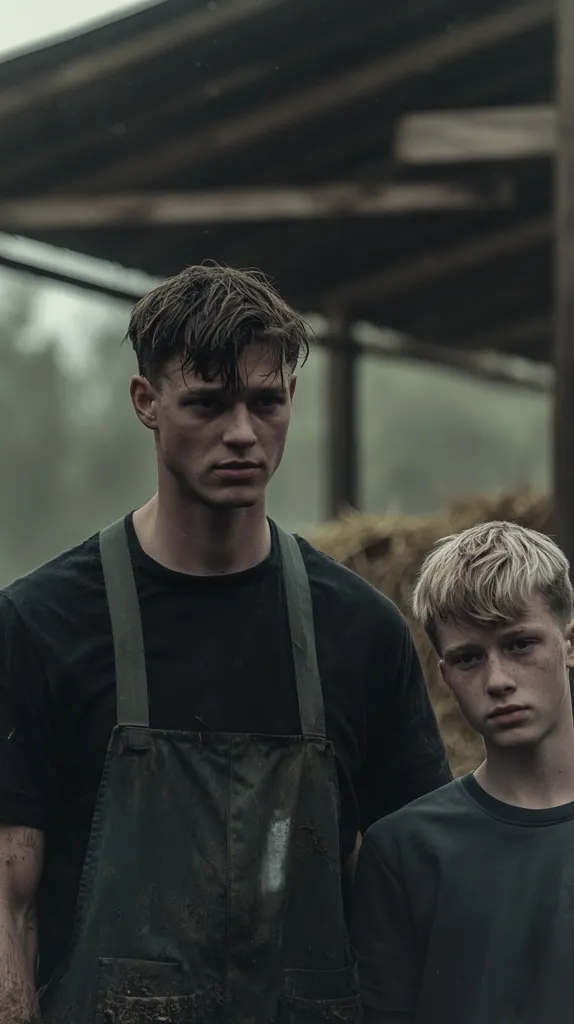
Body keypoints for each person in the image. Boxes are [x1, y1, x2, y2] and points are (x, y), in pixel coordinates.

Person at [0, 263, 450, 1024]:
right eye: (207, 404)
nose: (241, 433)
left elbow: (423, 892)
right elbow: (9, 909)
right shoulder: (40, 625)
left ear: (291, 402)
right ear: (146, 402)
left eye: (265, 403)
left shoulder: (362, 633)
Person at [352, 520, 574, 1024]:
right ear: (446, 676)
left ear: (569, 645)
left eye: (520, 645)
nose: (498, 680)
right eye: (470, 658)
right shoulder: (405, 850)